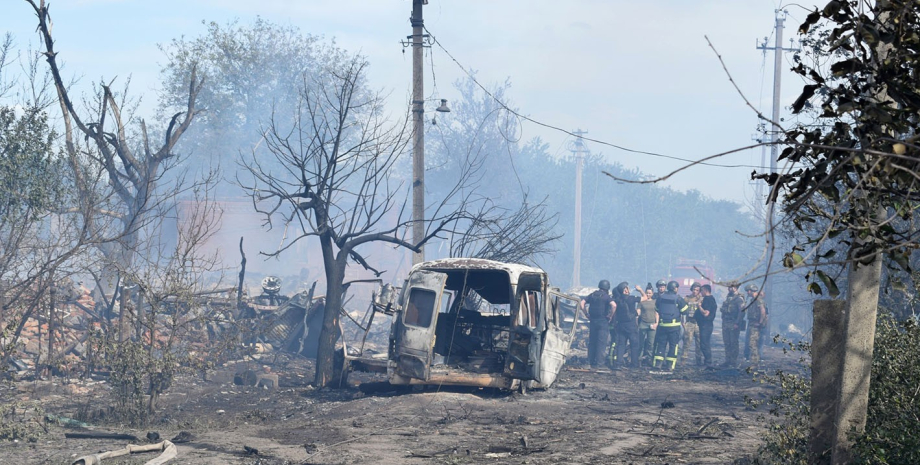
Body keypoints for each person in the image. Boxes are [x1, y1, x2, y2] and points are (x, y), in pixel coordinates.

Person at [652, 281, 688, 371]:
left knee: (661, 344)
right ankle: (670, 365)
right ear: (675, 288)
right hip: (674, 326)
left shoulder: (661, 297)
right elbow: (685, 311)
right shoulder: (678, 298)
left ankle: (658, 363)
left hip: (662, 325)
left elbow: (656, 309)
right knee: (673, 345)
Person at [580, 280, 616, 369]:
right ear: (607, 288)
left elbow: (582, 303)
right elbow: (614, 305)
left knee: (592, 342)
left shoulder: (592, 295)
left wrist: (586, 314)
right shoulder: (606, 297)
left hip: (593, 321)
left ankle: (590, 362)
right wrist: (610, 316)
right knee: (601, 343)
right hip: (603, 321)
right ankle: (600, 364)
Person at [611, 282, 644, 369]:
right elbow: (645, 298)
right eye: (627, 288)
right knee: (634, 345)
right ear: (625, 290)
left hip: (621, 325)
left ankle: (618, 364)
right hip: (631, 326)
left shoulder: (617, 300)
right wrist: (640, 290)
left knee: (621, 345)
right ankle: (634, 364)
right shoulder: (631, 298)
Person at [719, 282, 745, 367]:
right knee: (727, 342)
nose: (729, 289)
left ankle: (733, 361)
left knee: (733, 342)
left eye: (731, 287)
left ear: (735, 288)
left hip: (733, 323)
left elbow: (741, 312)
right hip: (726, 323)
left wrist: (737, 323)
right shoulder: (728, 298)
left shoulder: (739, 299)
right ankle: (728, 360)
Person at [745, 284, 768, 367]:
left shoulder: (758, 299)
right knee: (752, 343)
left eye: (748, 291)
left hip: (756, 325)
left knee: (753, 344)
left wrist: (760, 322)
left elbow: (763, 311)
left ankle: (754, 363)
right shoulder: (753, 300)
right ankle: (754, 362)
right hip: (752, 324)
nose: (747, 292)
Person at [681, 282, 703, 366]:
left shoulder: (702, 299)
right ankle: (683, 360)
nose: (695, 291)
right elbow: (682, 311)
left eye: (697, 290)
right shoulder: (686, 299)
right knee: (687, 342)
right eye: (694, 289)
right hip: (689, 323)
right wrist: (683, 322)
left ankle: (699, 361)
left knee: (699, 343)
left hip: (699, 324)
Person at [637, 284, 658, 366]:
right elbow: (638, 312)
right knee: (641, 342)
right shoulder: (642, 302)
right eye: (647, 293)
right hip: (643, 324)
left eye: (650, 293)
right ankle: (639, 359)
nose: (648, 295)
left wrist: (657, 323)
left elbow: (657, 313)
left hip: (652, 324)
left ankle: (649, 359)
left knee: (650, 343)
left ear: (652, 294)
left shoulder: (654, 302)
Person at [697, 284, 718, 367]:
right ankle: (707, 362)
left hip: (706, 325)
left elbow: (706, 313)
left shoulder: (709, 300)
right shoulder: (707, 299)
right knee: (703, 343)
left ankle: (708, 362)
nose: (700, 293)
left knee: (704, 344)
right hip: (704, 325)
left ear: (705, 290)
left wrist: (699, 306)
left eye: (701, 291)